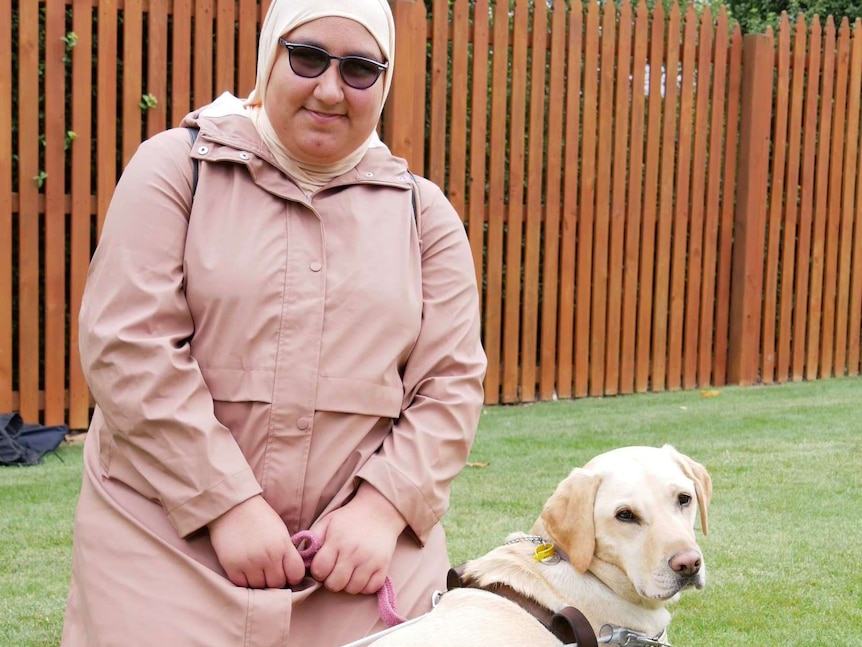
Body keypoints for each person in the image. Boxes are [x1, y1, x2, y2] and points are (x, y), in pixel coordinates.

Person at [60, 0, 486, 644]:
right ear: (269, 57)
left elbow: (450, 385)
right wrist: (224, 503)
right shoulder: (176, 167)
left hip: (356, 556)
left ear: (385, 81)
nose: (330, 88)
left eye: (360, 69)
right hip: (164, 532)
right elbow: (128, 345)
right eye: (308, 57)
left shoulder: (424, 216)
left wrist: (383, 509)